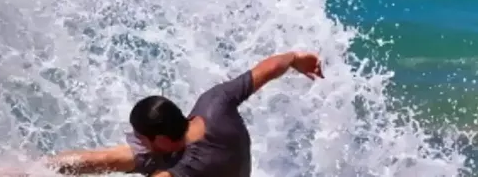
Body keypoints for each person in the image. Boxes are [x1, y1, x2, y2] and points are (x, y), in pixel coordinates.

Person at [38, 51, 324, 177]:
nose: (136, 139)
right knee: (106, 159)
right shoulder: (215, 104)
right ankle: (33, 171)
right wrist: (295, 58)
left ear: (160, 138)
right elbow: (270, 68)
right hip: (206, 160)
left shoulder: (186, 169)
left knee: (110, 159)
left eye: (141, 137)